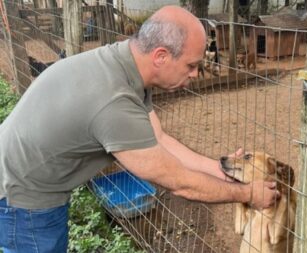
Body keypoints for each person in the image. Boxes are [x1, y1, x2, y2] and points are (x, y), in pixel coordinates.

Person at [0, 6, 280, 253]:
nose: (195, 74)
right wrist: (248, 195)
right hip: (22, 199)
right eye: (191, 65)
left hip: (23, 178)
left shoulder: (125, 65)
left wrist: (218, 169)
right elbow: (178, 181)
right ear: (160, 56)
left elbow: (159, 139)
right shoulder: (114, 100)